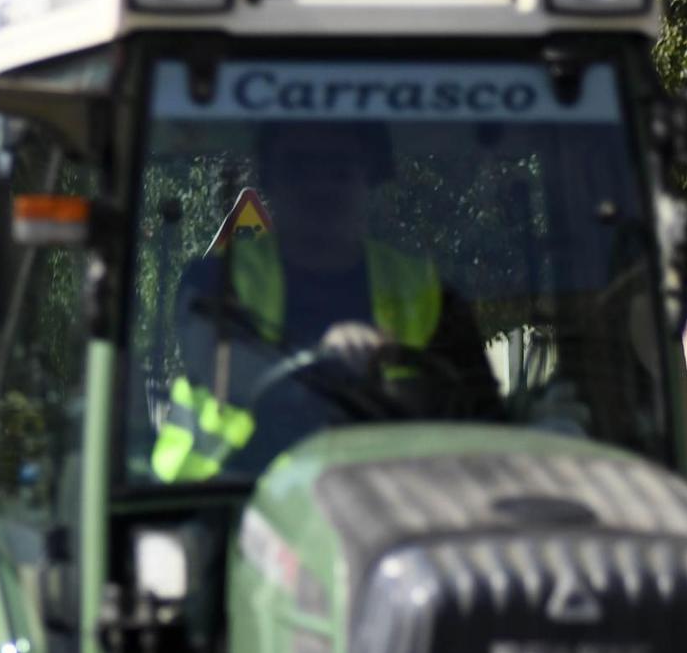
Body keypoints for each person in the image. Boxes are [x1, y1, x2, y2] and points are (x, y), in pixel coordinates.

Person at [153, 121, 501, 483]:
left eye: (339, 168)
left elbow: (477, 412)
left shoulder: (424, 289)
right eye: (300, 168)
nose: (320, 186)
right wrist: (330, 357)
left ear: (369, 176)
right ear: (270, 178)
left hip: (392, 500)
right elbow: (230, 374)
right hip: (228, 496)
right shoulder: (214, 282)